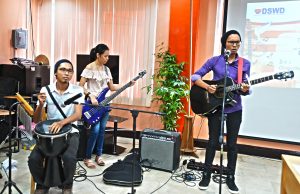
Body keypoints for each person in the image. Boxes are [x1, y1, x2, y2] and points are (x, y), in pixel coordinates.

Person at [191, 30, 251, 194]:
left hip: (235, 109)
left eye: (237, 42)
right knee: (212, 142)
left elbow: (244, 89)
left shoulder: (244, 64)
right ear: (224, 43)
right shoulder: (215, 61)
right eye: (232, 42)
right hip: (216, 107)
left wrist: (245, 89)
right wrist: (208, 87)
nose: (235, 45)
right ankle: (206, 174)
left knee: (232, 145)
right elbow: (195, 77)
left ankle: (230, 177)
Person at [28, 59, 84, 194]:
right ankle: (42, 184)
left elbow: (78, 115)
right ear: (55, 73)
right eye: (63, 70)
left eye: (70, 71)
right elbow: (36, 119)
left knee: (69, 158)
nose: (67, 73)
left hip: (71, 130)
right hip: (49, 133)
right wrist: (41, 105)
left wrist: (61, 122)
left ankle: (67, 186)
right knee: (33, 159)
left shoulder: (77, 90)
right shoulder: (45, 90)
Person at [79, 43, 135, 169]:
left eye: (108, 56)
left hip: (105, 105)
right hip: (93, 105)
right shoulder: (89, 68)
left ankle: (99, 155)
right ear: (98, 55)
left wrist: (127, 85)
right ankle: (87, 157)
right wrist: (90, 95)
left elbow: (112, 87)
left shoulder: (106, 70)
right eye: (105, 56)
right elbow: (81, 85)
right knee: (95, 130)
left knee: (102, 131)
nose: (108, 58)